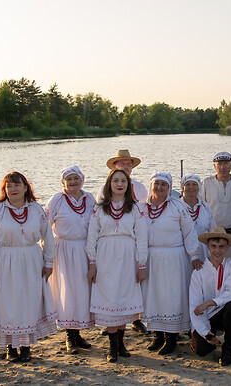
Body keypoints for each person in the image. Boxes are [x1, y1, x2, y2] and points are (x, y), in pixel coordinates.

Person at [0, 172, 57, 363]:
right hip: (5, 260)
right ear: (4, 190)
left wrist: (49, 262)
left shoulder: (36, 210)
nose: (13, 189)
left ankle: (26, 346)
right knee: (8, 303)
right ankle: (10, 346)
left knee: (28, 301)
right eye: (9, 186)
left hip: (31, 259)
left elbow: (47, 236)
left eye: (17, 185)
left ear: (25, 187)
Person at [86, 169, 148, 362]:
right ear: (109, 183)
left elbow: (142, 238)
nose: (119, 184)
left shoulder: (135, 208)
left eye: (123, 181)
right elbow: (91, 238)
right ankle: (112, 347)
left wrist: (142, 265)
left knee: (124, 299)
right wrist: (92, 264)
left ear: (128, 184)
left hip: (127, 257)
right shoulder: (99, 208)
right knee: (110, 300)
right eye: (115, 180)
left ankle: (120, 344)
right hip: (105, 257)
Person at [142, 172, 202, 355]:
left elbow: (189, 232)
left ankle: (171, 338)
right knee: (153, 296)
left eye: (164, 184)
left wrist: (194, 255)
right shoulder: (141, 207)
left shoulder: (178, 206)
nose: (159, 187)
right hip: (151, 258)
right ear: (151, 185)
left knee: (171, 297)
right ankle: (157, 335)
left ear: (169, 187)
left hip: (173, 258)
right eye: (157, 183)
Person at [45, 166, 97, 354]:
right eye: (69, 179)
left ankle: (78, 333)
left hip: (84, 249)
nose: (73, 182)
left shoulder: (89, 199)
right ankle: (69, 335)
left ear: (82, 179)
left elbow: (96, 224)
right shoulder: (57, 200)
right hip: (64, 250)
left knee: (82, 291)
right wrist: (46, 252)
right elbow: (45, 226)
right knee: (67, 291)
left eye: (76, 178)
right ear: (63, 182)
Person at [98, 148, 148, 335]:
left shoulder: (140, 188)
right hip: (111, 245)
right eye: (122, 163)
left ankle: (135, 319)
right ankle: (111, 322)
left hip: (132, 240)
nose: (126, 166)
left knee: (131, 282)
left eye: (129, 164)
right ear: (114, 166)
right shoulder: (104, 190)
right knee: (111, 283)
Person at [189, 227, 231, 366]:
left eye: (221, 247)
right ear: (208, 247)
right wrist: (206, 332)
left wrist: (210, 303)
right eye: (213, 246)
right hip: (207, 317)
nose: (217, 251)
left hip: (224, 313)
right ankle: (211, 339)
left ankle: (228, 349)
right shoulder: (199, 272)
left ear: (227, 248)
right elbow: (195, 305)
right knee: (201, 350)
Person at [180, 173, 216, 260]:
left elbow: (212, 229)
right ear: (183, 188)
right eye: (187, 184)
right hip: (183, 250)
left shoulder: (205, 207)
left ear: (199, 187)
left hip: (203, 250)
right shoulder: (177, 206)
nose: (191, 187)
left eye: (194, 184)